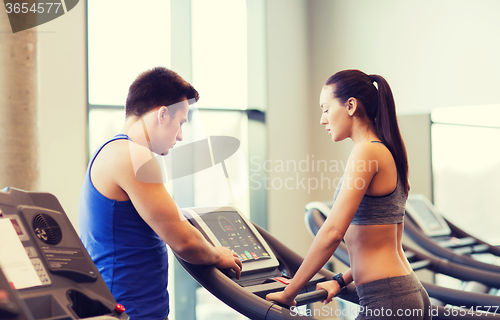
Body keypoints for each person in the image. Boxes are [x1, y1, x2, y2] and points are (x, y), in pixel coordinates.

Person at [79, 67, 242, 320]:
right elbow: (184, 241)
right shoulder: (133, 156)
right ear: (163, 114)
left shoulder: (111, 152)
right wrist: (217, 253)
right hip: (129, 312)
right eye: (180, 123)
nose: (179, 136)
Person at [266, 69, 431, 319]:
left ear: (351, 106)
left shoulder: (366, 152)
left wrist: (290, 292)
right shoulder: (386, 150)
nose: (323, 119)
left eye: (326, 108)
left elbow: (332, 233)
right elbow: (381, 243)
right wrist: (340, 281)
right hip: (404, 291)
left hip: (387, 297)